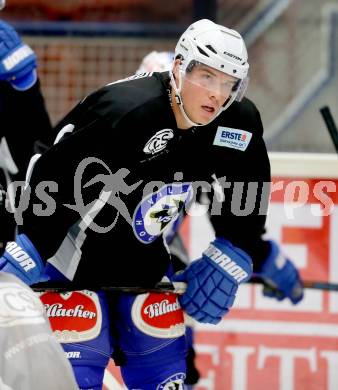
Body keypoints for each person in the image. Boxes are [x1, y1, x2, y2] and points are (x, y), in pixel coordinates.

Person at [0, 19, 303, 389]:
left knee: (168, 379)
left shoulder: (236, 123)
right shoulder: (127, 111)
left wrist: (236, 247)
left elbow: (245, 185)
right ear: (178, 68)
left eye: (229, 83)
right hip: (69, 267)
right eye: (207, 77)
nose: (217, 94)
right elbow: (52, 174)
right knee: (73, 378)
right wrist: (32, 244)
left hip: (146, 269)